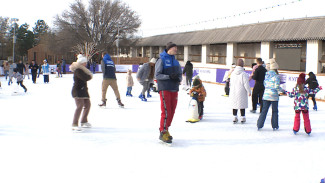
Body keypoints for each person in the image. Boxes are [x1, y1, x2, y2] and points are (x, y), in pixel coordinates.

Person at [155, 42, 182, 143]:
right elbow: (157, 75)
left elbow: (179, 74)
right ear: (169, 49)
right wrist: (169, 77)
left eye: (176, 48)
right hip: (165, 88)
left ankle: (166, 129)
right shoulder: (161, 59)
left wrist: (178, 79)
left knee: (172, 111)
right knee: (166, 111)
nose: (176, 50)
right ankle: (163, 131)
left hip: (174, 88)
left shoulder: (176, 61)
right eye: (174, 48)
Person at [257, 58, 284, 131]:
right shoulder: (276, 76)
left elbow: (265, 84)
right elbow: (277, 87)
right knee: (274, 111)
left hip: (266, 95)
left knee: (264, 110)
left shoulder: (267, 75)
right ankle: (275, 125)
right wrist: (283, 91)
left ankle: (259, 125)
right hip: (274, 96)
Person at [70, 54, 93, 131]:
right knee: (79, 106)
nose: (86, 64)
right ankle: (74, 123)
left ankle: (84, 121)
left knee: (87, 105)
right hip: (78, 91)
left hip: (83, 91)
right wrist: (89, 76)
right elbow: (85, 78)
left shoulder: (82, 70)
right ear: (81, 63)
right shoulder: (78, 70)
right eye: (84, 62)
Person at [229, 59, 251, 123]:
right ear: (242, 65)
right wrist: (249, 91)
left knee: (234, 104)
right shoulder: (243, 74)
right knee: (242, 104)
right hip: (241, 91)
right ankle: (242, 117)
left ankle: (234, 117)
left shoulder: (233, 73)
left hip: (234, 90)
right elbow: (246, 84)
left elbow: (231, 83)